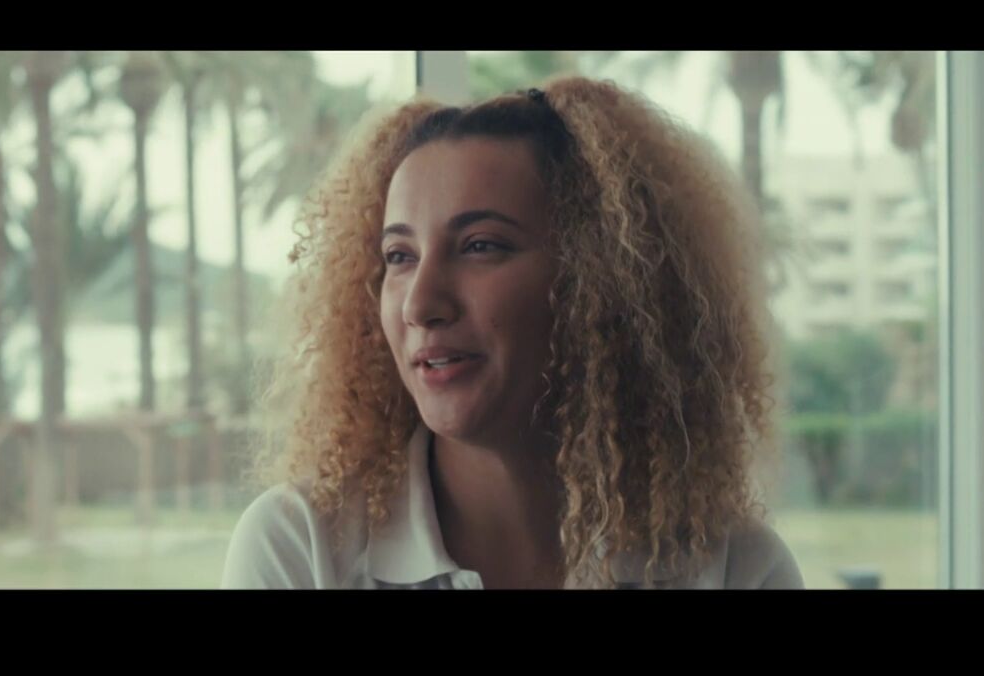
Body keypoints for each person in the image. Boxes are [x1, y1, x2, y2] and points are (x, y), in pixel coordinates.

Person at [222, 77, 804, 589]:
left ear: (599, 281)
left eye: (480, 246)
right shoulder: (302, 546)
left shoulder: (734, 568)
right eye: (399, 256)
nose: (421, 304)